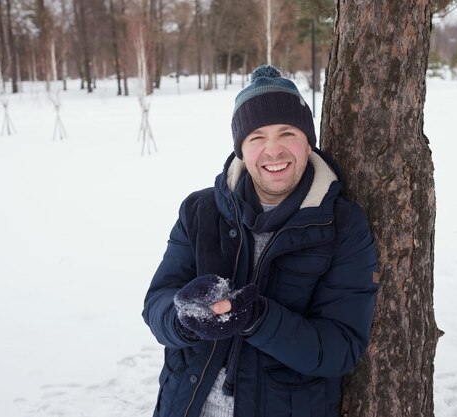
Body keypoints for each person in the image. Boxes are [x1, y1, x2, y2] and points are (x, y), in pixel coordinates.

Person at [142, 64, 379, 417]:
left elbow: (340, 348)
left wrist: (258, 320)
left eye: (287, 133)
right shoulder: (199, 210)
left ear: (308, 142)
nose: (273, 151)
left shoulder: (343, 226)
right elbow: (156, 303)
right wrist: (182, 319)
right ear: (241, 149)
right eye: (257, 138)